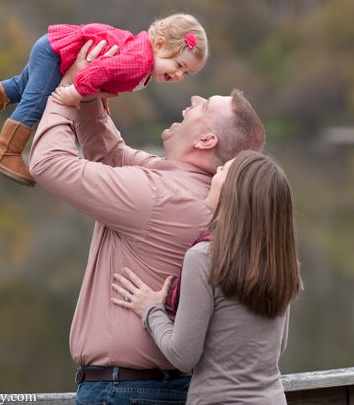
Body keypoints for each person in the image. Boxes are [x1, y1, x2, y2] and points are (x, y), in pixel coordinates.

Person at [27, 39, 266, 405]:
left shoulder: (161, 195)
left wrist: (64, 97)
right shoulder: (181, 186)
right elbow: (110, 155)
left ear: (206, 140)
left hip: (124, 392)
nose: (193, 100)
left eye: (204, 106)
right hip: (147, 388)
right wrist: (90, 89)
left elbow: (49, 163)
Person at [111, 150, 301, 404]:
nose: (216, 171)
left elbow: (183, 355)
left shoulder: (204, 258)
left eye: (224, 171)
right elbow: (277, 346)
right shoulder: (283, 264)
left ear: (235, 194)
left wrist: (151, 310)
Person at [0, 13, 208, 186]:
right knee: (36, 102)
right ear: (160, 44)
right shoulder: (140, 61)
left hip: (53, 47)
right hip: (58, 54)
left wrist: (97, 97)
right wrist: (74, 93)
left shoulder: (140, 56)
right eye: (178, 65)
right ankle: (6, 152)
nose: (178, 75)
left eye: (186, 72)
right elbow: (100, 70)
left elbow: (106, 74)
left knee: (21, 87)